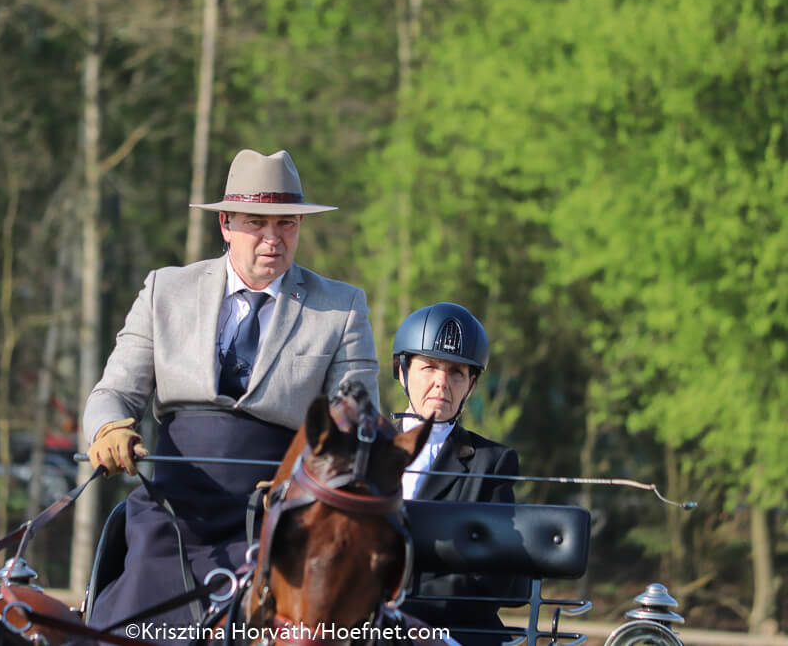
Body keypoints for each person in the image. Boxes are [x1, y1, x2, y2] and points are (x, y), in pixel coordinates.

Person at [82, 148, 380, 638]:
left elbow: (356, 423)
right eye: (255, 223)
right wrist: (110, 428)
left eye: (286, 224)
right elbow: (113, 391)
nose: (272, 238)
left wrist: (296, 484)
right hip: (172, 510)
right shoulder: (165, 291)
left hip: (279, 518)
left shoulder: (341, 308)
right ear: (225, 224)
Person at [392, 302, 521, 646]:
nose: (442, 383)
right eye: (429, 367)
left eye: (456, 373)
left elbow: (491, 577)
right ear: (402, 372)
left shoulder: (492, 462)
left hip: (451, 629)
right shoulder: (361, 448)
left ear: (471, 385)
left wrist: (403, 611)